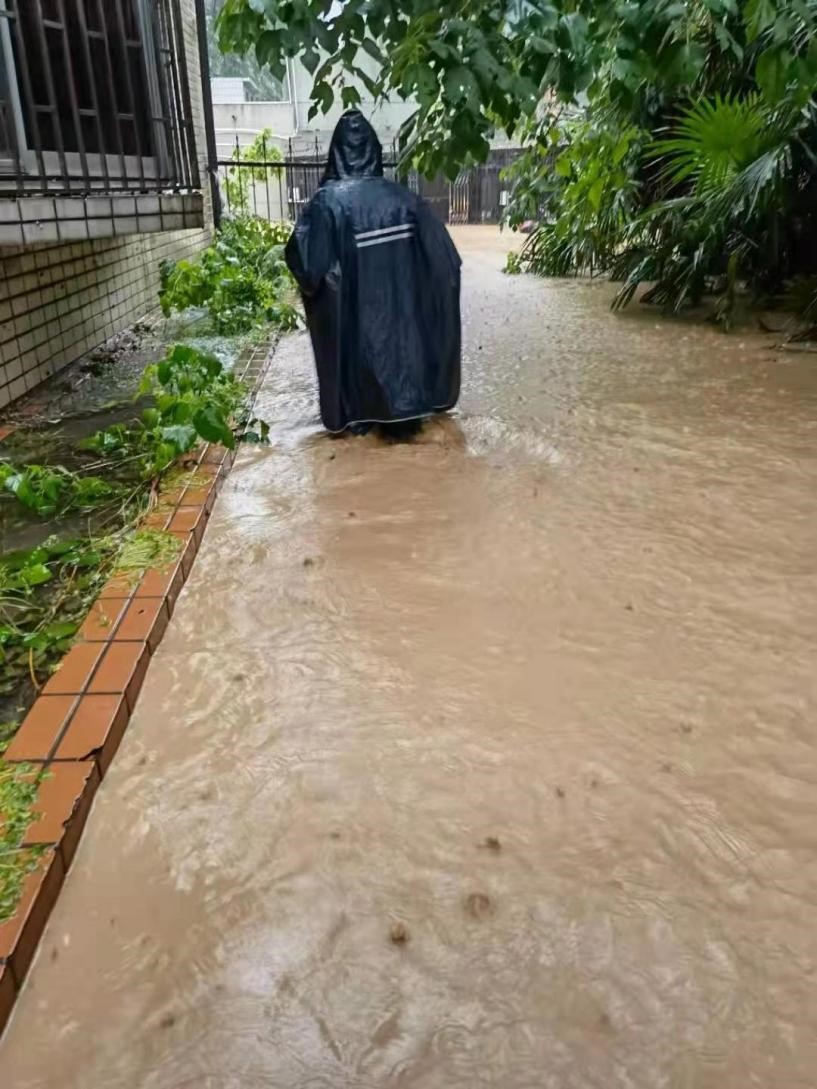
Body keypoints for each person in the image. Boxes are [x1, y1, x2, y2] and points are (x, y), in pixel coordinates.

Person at [285, 110, 462, 438]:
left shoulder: (327, 204)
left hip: (358, 363)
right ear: (376, 153)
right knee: (415, 445)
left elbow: (305, 266)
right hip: (410, 367)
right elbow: (446, 265)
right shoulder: (408, 202)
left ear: (335, 155)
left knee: (359, 442)